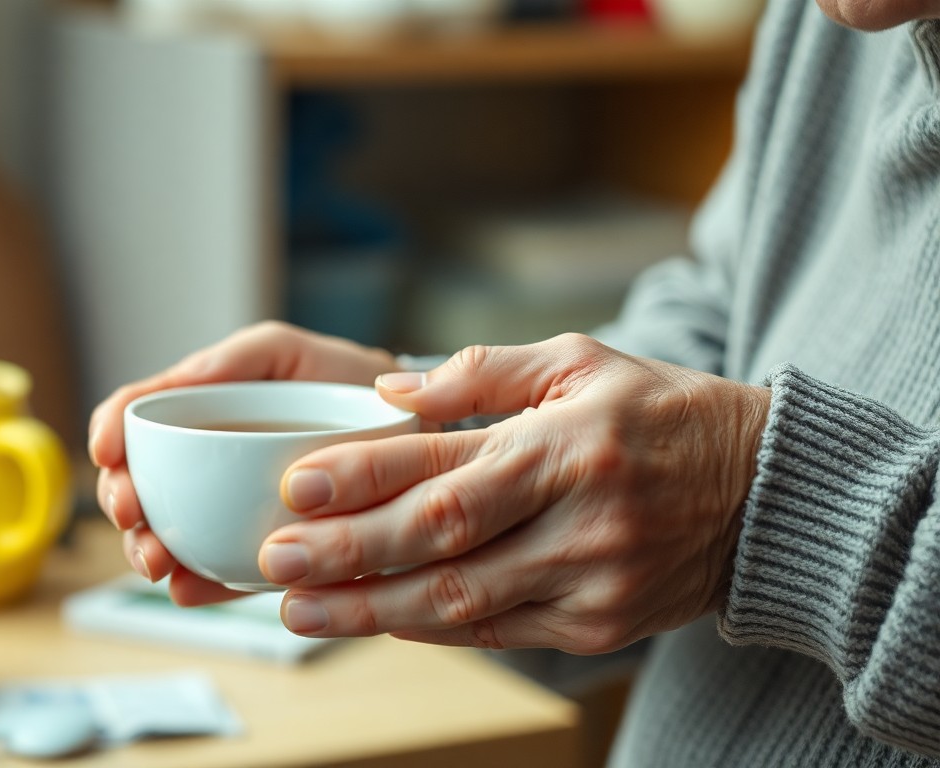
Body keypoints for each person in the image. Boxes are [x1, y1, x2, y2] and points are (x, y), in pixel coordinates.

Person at [89, 0, 940, 764]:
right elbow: (731, 309)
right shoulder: (826, 25)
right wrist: (457, 433)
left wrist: (763, 507)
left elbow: (746, 488)